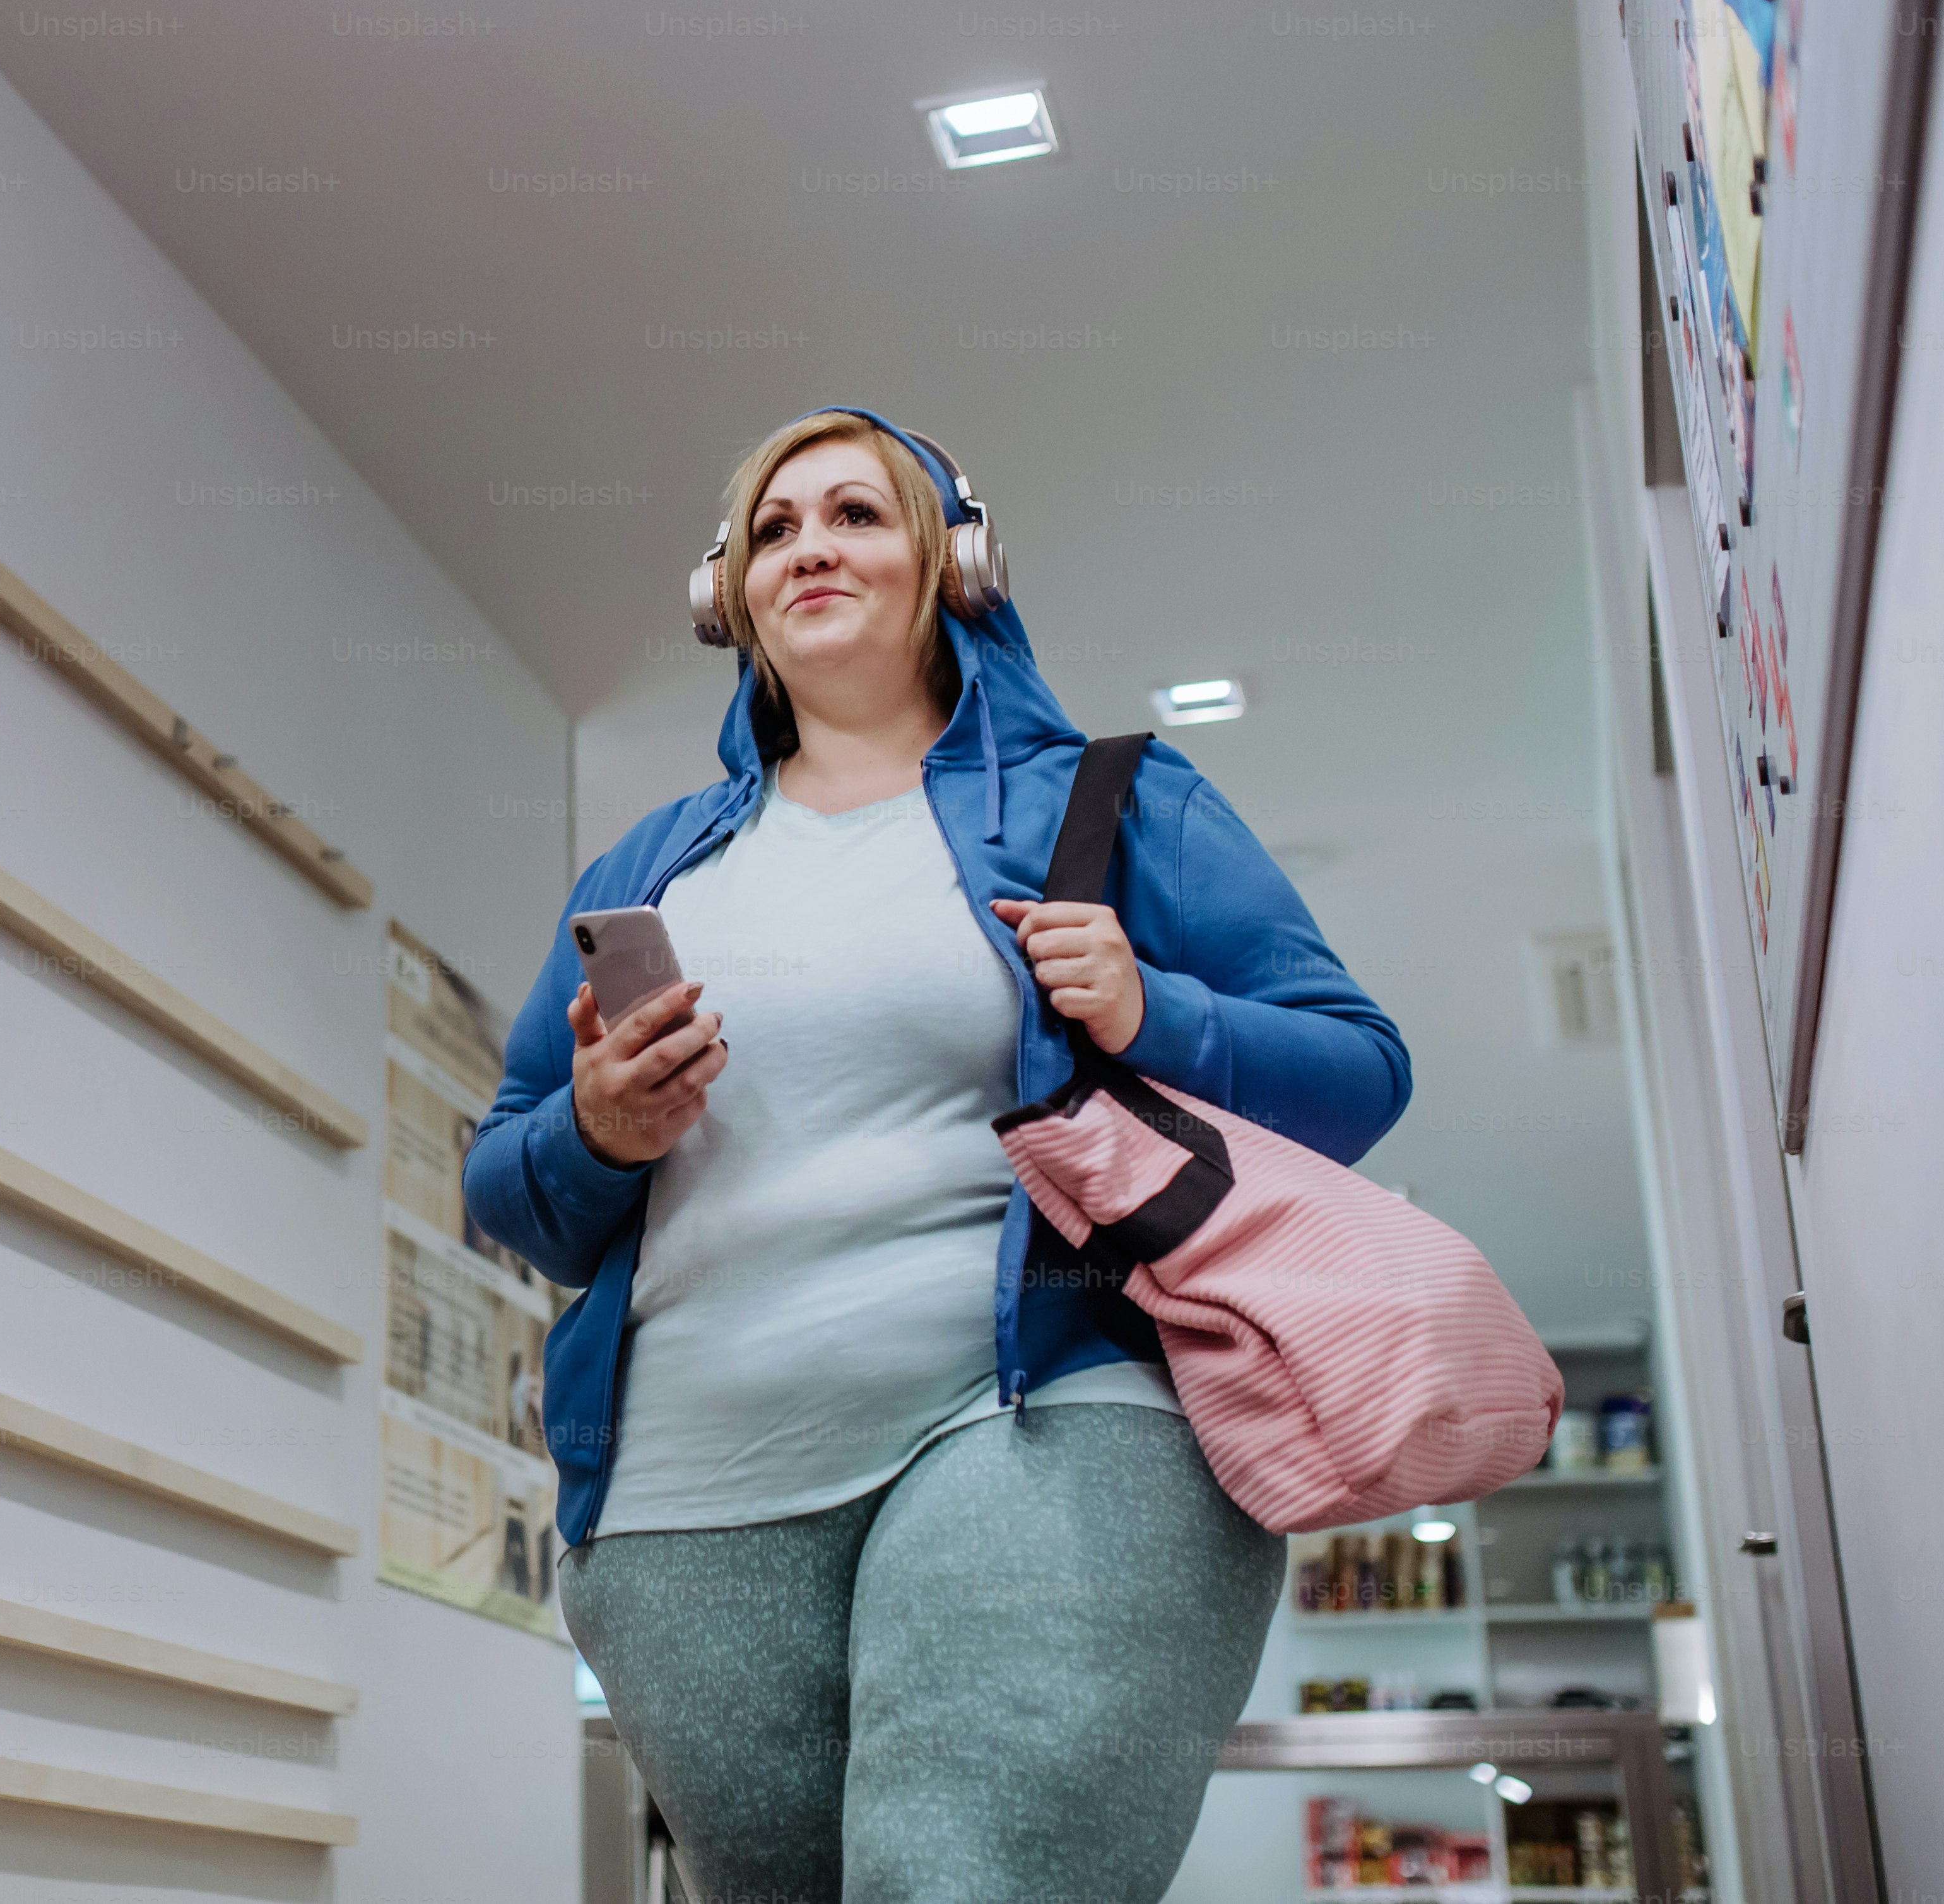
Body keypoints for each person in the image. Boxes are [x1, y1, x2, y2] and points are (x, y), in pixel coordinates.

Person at [466, 408, 1410, 1902]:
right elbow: (505, 1187)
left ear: (953, 562)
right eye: (772, 530)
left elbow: (1356, 1068)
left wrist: (1148, 1007)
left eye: (858, 513)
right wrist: (598, 1129)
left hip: (1043, 1411)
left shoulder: (1112, 803)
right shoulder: (646, 871)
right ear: (730, 598)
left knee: (963, 1879)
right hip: (687, 1485)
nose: (811, 548)